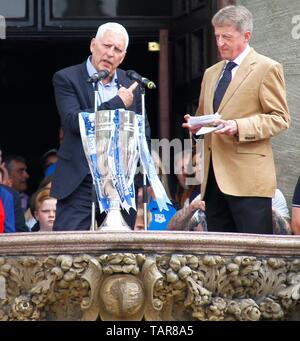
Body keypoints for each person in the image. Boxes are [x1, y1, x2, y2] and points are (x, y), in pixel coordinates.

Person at [183, 5, 290, 234]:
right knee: (219, 259)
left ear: (246, 36)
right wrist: (196, 125)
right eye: (217, 36)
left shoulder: (266, 68)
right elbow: (208, 118)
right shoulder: (211, 73)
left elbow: (280, 118)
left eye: (227, 37)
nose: (220, 42)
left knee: (254, 258)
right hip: (213, 182)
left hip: (249, 182)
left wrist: (238, 126)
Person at [51, 22, 151, 231]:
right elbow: (73, 120)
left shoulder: (131, 83)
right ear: (93, 45)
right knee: (70, 251)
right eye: (106, 46)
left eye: (117, 50)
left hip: (121, 184)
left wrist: (143, 179)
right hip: (80, 180)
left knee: (120, 256)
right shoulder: (67, 78)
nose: (110, 53)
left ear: (123, 56)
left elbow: (143, 134)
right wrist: (117, 103)